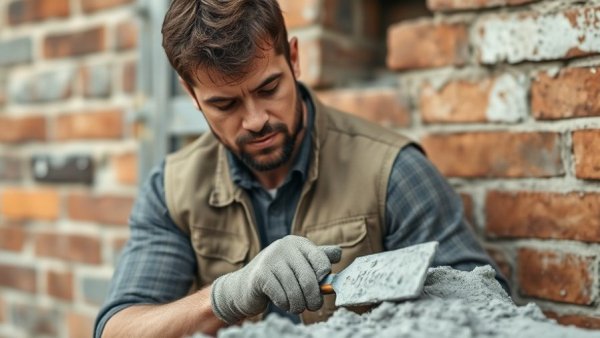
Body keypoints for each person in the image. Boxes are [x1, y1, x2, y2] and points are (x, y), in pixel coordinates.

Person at [94, 0, 509, 337]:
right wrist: (229, 294)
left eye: (268, 88)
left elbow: (486, 308)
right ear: (192, 95)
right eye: (226, 104)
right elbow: (117, 329)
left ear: (293, 59)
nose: (255, 119)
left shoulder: (393, 171)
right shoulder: (172, 189)